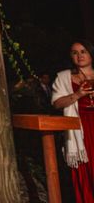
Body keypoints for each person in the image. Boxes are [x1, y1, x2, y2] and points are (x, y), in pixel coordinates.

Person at [52, 39, 94, 203]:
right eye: (75, 52)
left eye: (83, 51)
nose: (79, 55)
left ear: (91, 53)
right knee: (86, 171)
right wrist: (78, 95)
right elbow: (56, 103)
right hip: (80, 130)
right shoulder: (64, 77)